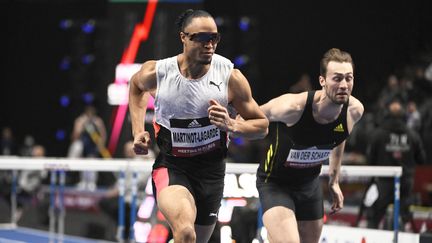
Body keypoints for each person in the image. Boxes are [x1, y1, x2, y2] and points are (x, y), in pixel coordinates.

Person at [128, 9, 268, 243]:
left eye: (214, 38)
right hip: (173, 167)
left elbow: (262, 126)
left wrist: (232, 124)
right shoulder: (160, 73)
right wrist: (137, 131)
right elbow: (135, 86)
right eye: (201, 38)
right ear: (183, 37)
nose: (209, 44)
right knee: (185, 232)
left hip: (211, 173)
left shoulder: (230, 77)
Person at [256, 48, 364, 243]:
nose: (344, 85)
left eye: (349, 78)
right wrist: (231, 127)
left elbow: (339, 137)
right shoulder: (293, 107)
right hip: (276, 184)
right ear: (322, 81)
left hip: (309, 185)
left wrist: (334, 180)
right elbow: (252, 114)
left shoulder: (353, 111)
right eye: (337, 78)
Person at [364, 99, 426, 232]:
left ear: (387, 114)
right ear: (403, 115)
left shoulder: (378, 134)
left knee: (374, 219)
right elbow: (422, 159)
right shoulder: (412, 135)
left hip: (383, 183)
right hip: (405, 183)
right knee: (405, 218)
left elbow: (369, 159)